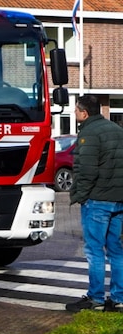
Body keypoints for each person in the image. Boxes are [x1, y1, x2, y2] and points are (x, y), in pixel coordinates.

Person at [65, 94, 123, 312]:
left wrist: (80, 195)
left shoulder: (88, 133)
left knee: (94, 250)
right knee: (116, 250)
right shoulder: (118, 130)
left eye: (76, 109)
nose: (74, 113)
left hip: (98, 200)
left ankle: (96, 298)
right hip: (119, 200)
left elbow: (86, 171)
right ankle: (118, 299)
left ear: (84, 112)